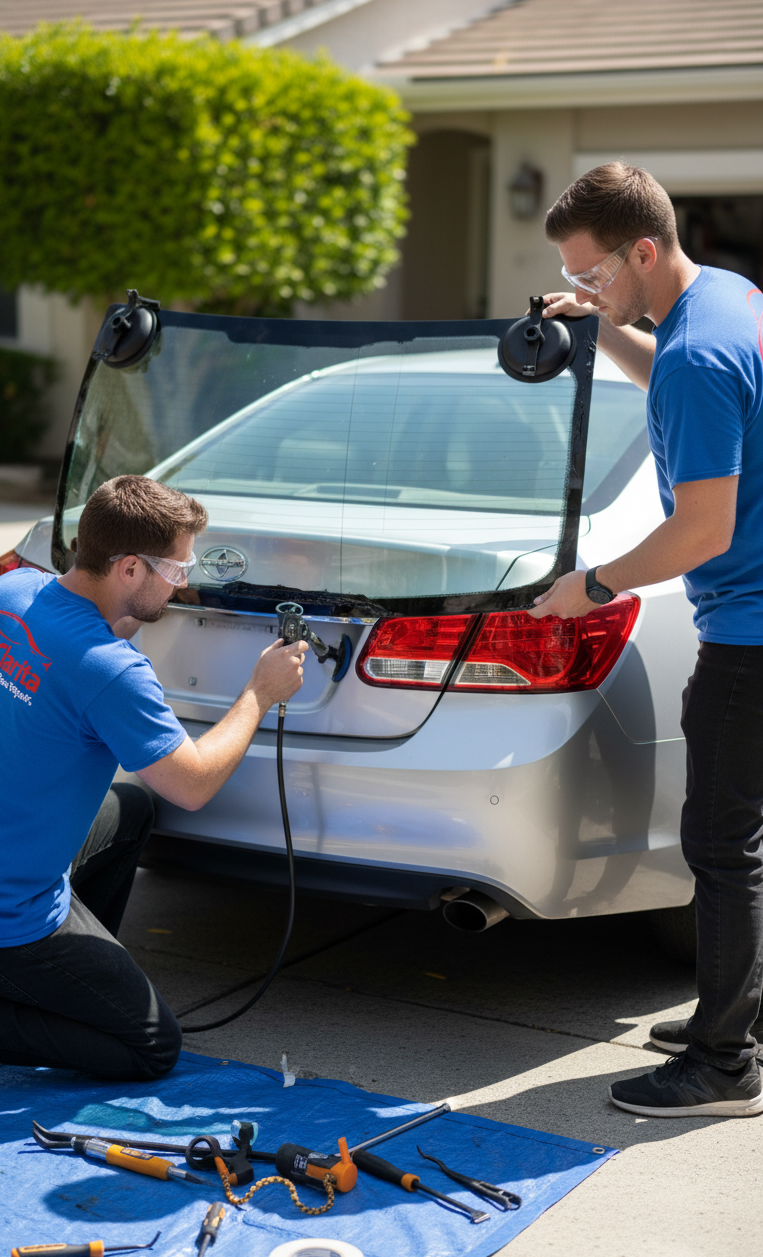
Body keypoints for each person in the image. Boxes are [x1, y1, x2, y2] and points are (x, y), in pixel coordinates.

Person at [533, 162, 763, 1118]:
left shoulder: (696, 361)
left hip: (748, 637)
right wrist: (602, 329)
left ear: (640, 249)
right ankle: (734, 1014)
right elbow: (667, 357)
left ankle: (722, 1066)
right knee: (744, 840)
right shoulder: (725, 300)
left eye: (591, 278)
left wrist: (588, 587)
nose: (583, 290)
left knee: (720, 844)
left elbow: (700, 532)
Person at [0, 474, 306, 1080]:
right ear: (130, 569)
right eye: (176, 569)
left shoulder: (14, 589)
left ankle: (67, 982)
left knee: (131, 810)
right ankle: (32, 985)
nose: (184, 582)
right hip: (12, 913)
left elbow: (57, 666)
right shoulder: (111, 671)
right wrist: (258, 692)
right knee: (151, 1048)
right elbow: (191, 786)